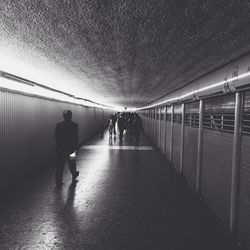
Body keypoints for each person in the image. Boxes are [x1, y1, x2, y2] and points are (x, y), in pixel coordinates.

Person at [54, 110, 79, 187]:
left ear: (63, 116)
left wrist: (59, 145)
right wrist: (76, 148)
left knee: (60, 165)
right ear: (71, 116)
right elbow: (75, 138)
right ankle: (74, 174)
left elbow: (56, 136)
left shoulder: (58, 125)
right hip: (71, 148)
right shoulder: (74, 125)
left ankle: (58, 181)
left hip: (61, 149)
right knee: (72, 163)